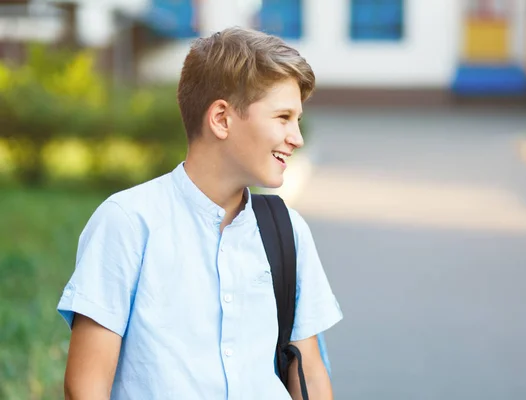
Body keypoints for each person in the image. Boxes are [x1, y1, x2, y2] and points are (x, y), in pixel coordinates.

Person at [56, 26, 343, 399]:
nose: (297, 137)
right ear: (222, 119)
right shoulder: (128, 223)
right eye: (283, 117)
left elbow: (309, 374)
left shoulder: (286, 230)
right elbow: (86, 386)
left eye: (298, 120)